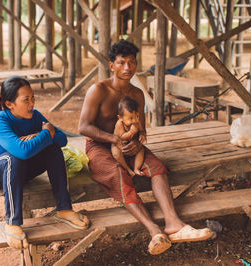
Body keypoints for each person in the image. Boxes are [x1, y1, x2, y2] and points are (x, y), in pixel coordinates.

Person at [78, 40, 212, 255]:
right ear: (111, 65)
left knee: (157, 166)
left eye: (131, 63)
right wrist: (114, 140)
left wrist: (138, 142)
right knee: (117, 173)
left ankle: (174, 224)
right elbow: (83, 127)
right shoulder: (99, 90)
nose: (127, 68)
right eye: (121, 63)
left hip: (129, 145)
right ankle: (154, 231)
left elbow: (141, 130)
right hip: (99, 145)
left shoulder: (137, 95)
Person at [0, 76, 90, 249]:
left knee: (52, 150)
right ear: (9, 104)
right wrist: (44, 134)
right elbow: (23, 151)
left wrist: (39, 136)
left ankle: (64, 209)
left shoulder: (35, 116)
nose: (32, 103)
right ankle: (12, 223)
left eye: (33, 98)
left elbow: (61, 139)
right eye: (26, 99)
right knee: (12, 157)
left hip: (20, 169)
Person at [112, 96, 146, 177]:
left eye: (137, 116)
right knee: (116, 153)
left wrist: (142, 135)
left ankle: (136, 168)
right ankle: (128, 169)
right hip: (119, 145)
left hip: (132, 144)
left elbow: (142, 130)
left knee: (141, 150)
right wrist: (131, 132)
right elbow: (122, 137)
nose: (134, 120)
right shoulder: (119, 124)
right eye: (130, 118)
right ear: (120, 118)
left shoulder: (136, 122)